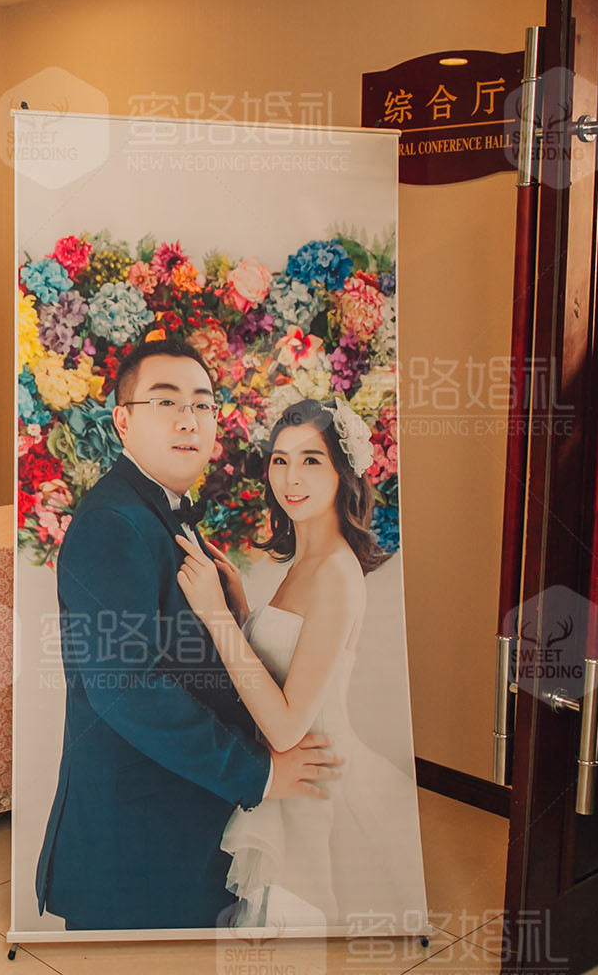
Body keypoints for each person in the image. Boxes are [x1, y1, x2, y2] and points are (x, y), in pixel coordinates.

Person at [35, 339, 344, 931]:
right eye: (166, 402)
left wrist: (233, 613)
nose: (189, 419)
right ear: (123, 421)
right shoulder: (111, 524)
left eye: (202, 404)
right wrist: (258, 773)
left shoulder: (164, 512)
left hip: (184, 820)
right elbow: (128, 688)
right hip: (136, 842)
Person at [175, 397, 427, 930]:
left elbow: (288, 726)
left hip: (316, 787)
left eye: (311, 460)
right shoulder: (307, 560)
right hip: (289, 782)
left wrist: (216, 617)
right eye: (280, 459)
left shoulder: (335, 572)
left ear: (343, 473)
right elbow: (291, 662)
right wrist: (242, 611)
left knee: (296, 938)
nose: (291, 477)